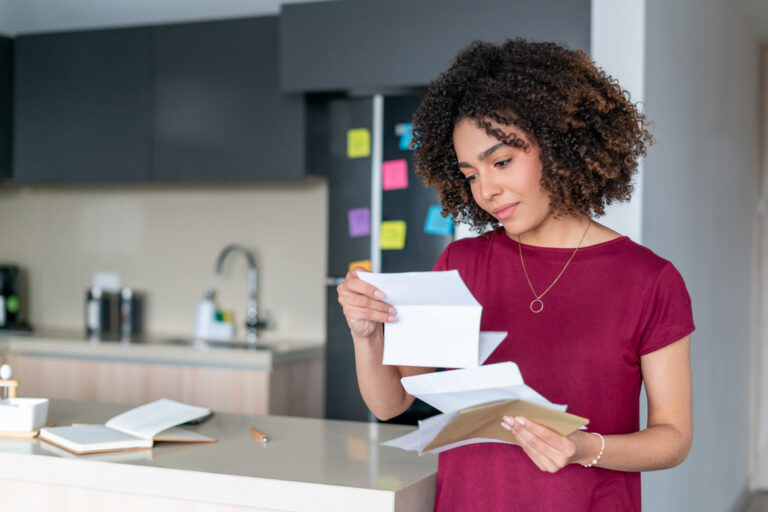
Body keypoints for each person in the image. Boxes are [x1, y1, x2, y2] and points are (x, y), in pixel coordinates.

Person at [336, 38, 694, 511]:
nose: (486, 190)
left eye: (501, 162)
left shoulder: (649, 280)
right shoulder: (460, 265)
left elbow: (673, 438)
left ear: (559, 144)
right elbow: (391, 404)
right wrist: (367, 337)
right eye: (469, 174)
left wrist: (585, 448)